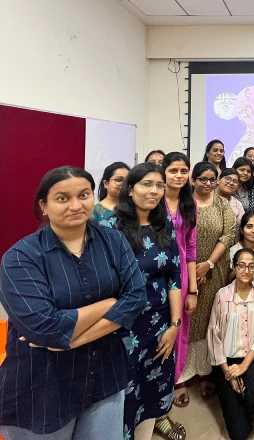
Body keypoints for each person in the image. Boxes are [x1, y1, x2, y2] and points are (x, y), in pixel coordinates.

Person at [0, 167, 146, 440]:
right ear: (44, 205)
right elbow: (46, 329)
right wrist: (109, 303)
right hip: (42, 388)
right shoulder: (20, 257)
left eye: (84, 195)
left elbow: (137, 297)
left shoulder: (113, 240)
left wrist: (73, 339)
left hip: (104, 375)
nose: (76, 205)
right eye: (63, 198)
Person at [102, 163, 183, 440]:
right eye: (146, 184)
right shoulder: (109, 227)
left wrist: (174, 326)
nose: (154, 191)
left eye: (159, 185)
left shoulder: (164, 224)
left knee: (151, 393)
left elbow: (174, 275)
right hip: (121, 328)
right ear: (130, 189)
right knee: (123, 396)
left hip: (159, 326)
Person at [181, 162, 236, 401]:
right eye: (203, 179)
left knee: (208, 321)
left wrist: (208, 264)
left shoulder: (223, 204)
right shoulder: (183, 203)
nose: (208, 183)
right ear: (193, 180)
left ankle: (204, 372)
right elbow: (178, 236)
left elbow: (229, 234)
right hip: (185, 269)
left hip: (215, 270)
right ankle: (181, 376)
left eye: (212, 179)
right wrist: (193, 269)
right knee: (186, 318)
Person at [208, 248, 254, 440]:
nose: (246, 270)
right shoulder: (222, 295)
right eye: (241, 265)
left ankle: (248, 391)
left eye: (251, 266)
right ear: (234, 267)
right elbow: (214, 335)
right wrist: (229, 374)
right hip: (226, 361)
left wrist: (243, 367)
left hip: (251, 357)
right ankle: (236, 394)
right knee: (239, 433)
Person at [161, 152, 198, 411]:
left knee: (178, 331)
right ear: (163, 172)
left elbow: (191, 248)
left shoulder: (189, 203)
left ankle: (170, 385)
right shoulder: (154, 200)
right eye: (173, 170)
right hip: (155, 274)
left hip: (182, 276)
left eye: (183, 171)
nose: (179, 175)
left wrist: (192, 290)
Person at [217, 168, 245, 235]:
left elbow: (241, 228)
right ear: (218, 180)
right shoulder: (206, 198)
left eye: (235, 181)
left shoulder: (237, 205)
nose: (231, 183)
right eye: (227, 178)